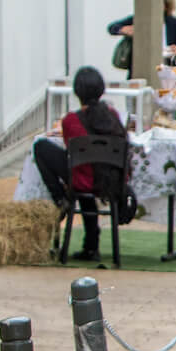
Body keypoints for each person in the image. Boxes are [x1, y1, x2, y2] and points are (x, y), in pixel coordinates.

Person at [33, 66, 129, 261]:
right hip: (112, 180)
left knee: (42, 147)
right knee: (87, 167)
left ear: (77, 92)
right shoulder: (113, 115)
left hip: (84, 180)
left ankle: (61, 199)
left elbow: (71, 149)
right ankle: (91, 245)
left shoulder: (70, 121)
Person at [107, 0, 176, 64]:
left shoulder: (173, 23)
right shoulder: (138, 19)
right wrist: (123, 29)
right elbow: (112, 28)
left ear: (166, 6)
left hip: (166, 67)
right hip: (140, 67)